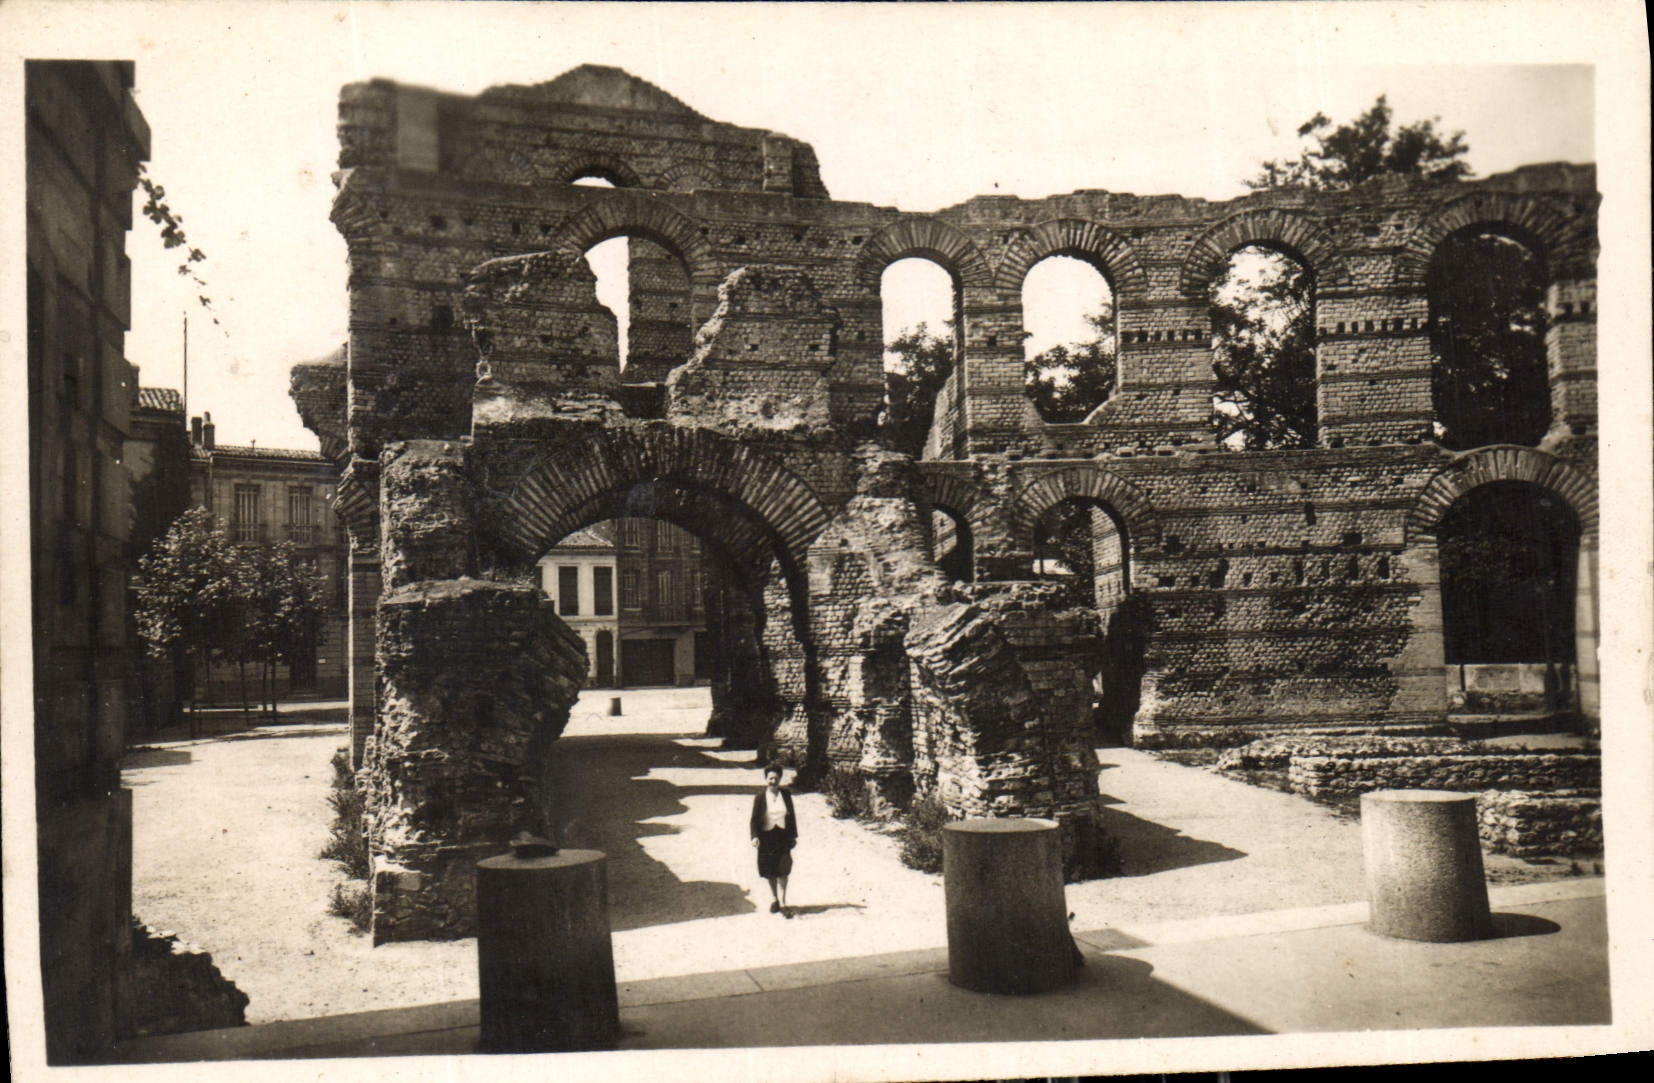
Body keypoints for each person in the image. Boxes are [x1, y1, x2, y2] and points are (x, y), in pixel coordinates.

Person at [749, 763, 798, 917]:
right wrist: (754, 836)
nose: (773, 781)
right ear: (766, 779)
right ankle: (774, 899)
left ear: (780, 779)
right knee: (770, 870)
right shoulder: (760, 798)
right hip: (767, 837)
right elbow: (753, 820)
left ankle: (783, 903)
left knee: (783, 869)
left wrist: (793, 836)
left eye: (776, 778)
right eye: (770, 778)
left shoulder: (786, 794)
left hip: (782, 836)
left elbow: (792, 816)